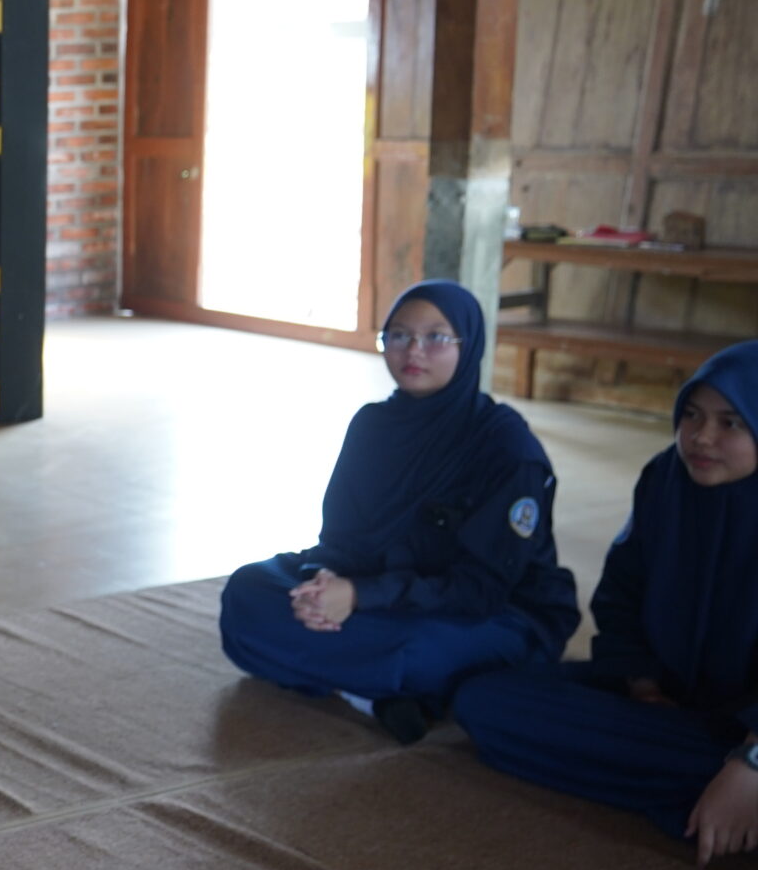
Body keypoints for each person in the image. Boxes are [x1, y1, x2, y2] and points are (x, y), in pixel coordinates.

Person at [218, 279, 579, 744]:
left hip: (495, 613)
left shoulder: (505, 448)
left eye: (436, 337)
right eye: (400, 335)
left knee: (417, 651)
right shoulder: (372, 425)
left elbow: (480, 589)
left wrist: (360, 596)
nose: (414, 351)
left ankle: (364, 681)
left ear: (469, 346)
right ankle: (373, 695)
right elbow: (341, 539)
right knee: (247, 593)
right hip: (380, 590)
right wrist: (322, 584)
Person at [454, 341, 758, 864]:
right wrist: (642, 683)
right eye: (691, 414)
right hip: (666, 707)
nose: (702, 436)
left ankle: (726, 789)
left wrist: (750, 762)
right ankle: (709, 797)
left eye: (730, 422)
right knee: (483, 701)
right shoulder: (665, 480)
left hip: (743, 728)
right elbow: (620, 593)